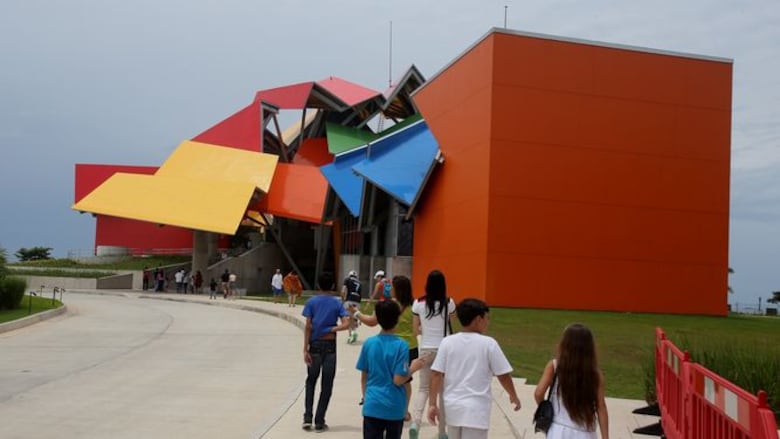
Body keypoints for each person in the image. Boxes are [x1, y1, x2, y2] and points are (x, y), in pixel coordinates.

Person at [427, 298, 521, 439]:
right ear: (478, 319)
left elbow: (436, 374)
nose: (487, 323)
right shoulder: (489, 344)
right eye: (486, 318)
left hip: (453, 408)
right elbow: (503, 375)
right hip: (476, 411)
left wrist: (432, 404)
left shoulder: (447, 342)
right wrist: (513, 395)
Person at [356, 300, 425, 439]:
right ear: (397, 318)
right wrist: (413, 368)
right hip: (393, 407)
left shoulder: (369, 343)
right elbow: (398, 380)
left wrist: (366, 397)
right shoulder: (401, 345)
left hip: (372, 405)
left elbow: (364, 377)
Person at [353, 275, 418, 421]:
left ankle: (381, 403)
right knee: (405, 380)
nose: (390, 289)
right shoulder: (414, 305)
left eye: (392, 286)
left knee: (386, 377)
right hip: (411, 346)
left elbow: (371, 322)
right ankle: (405, 411)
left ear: (398, 289)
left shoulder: (389, 305)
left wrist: (356, 313)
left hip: (392, 344)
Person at [533, 323, 609, 439]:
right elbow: (601, 406)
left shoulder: (554, 366)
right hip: (585, 432)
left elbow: (538, 393)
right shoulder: (595, 374)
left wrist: (546, 408)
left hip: (558, 429)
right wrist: (605, 437)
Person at [302, 271, 352, 432]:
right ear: (332, 286)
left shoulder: (311, 302)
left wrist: (305, 349)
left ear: (318, 285)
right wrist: (331, 328)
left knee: (311, 381)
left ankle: (307, 418)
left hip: (314, 345)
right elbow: (346, 324)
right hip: (330, 346)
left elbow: (308, 326)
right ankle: (319, 420)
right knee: (327, 384)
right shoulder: (337, 303)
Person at [409, 270, 456, 439]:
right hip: (445, 349)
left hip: (426, 349)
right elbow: (453, 321)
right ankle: (442, 432)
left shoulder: (418, 303)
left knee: (423, 389)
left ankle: (415, 422)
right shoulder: (449, 302)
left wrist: (425, 328)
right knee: (443, 391)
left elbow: (415, 331)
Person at [341, 270, 362, 343]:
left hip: (350, 299)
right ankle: (354, 331)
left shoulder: (347, 280)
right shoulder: (359, 282)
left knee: (349, 318)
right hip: (358, 301)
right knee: (354, 318)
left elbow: (343, 291)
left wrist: (343, 299)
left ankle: (351, 335)